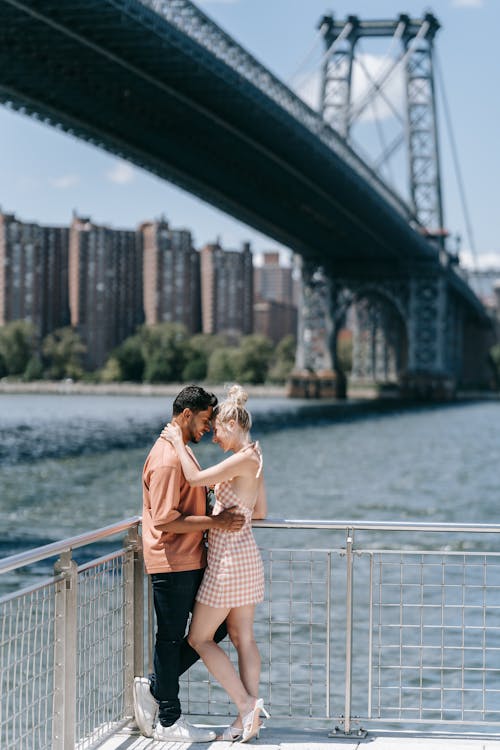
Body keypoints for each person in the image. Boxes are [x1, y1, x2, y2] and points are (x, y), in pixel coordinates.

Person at [133, 385, 245, 743]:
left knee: (216, 627)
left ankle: (154, 687)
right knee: (169, 639)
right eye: (204, 420)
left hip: (187, 559)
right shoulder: (167, 459)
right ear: (186, 415)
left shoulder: (178, 451)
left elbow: (189, 498)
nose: (208, 428)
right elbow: (165, 518)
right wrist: (217, 522)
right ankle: (168, 720)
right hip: (171, 561)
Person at [161, 384, 269, 743]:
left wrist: (176, 440)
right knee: (242, 637)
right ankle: (247, 721)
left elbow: (193, 478)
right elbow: (262, 511)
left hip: (227, 562)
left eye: (217, 429)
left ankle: (246, 705)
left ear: (232, 425)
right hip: (246, 557)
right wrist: (233, 503)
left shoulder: (239, 458)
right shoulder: (255, 456)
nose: (213, 437)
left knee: (199, 638)